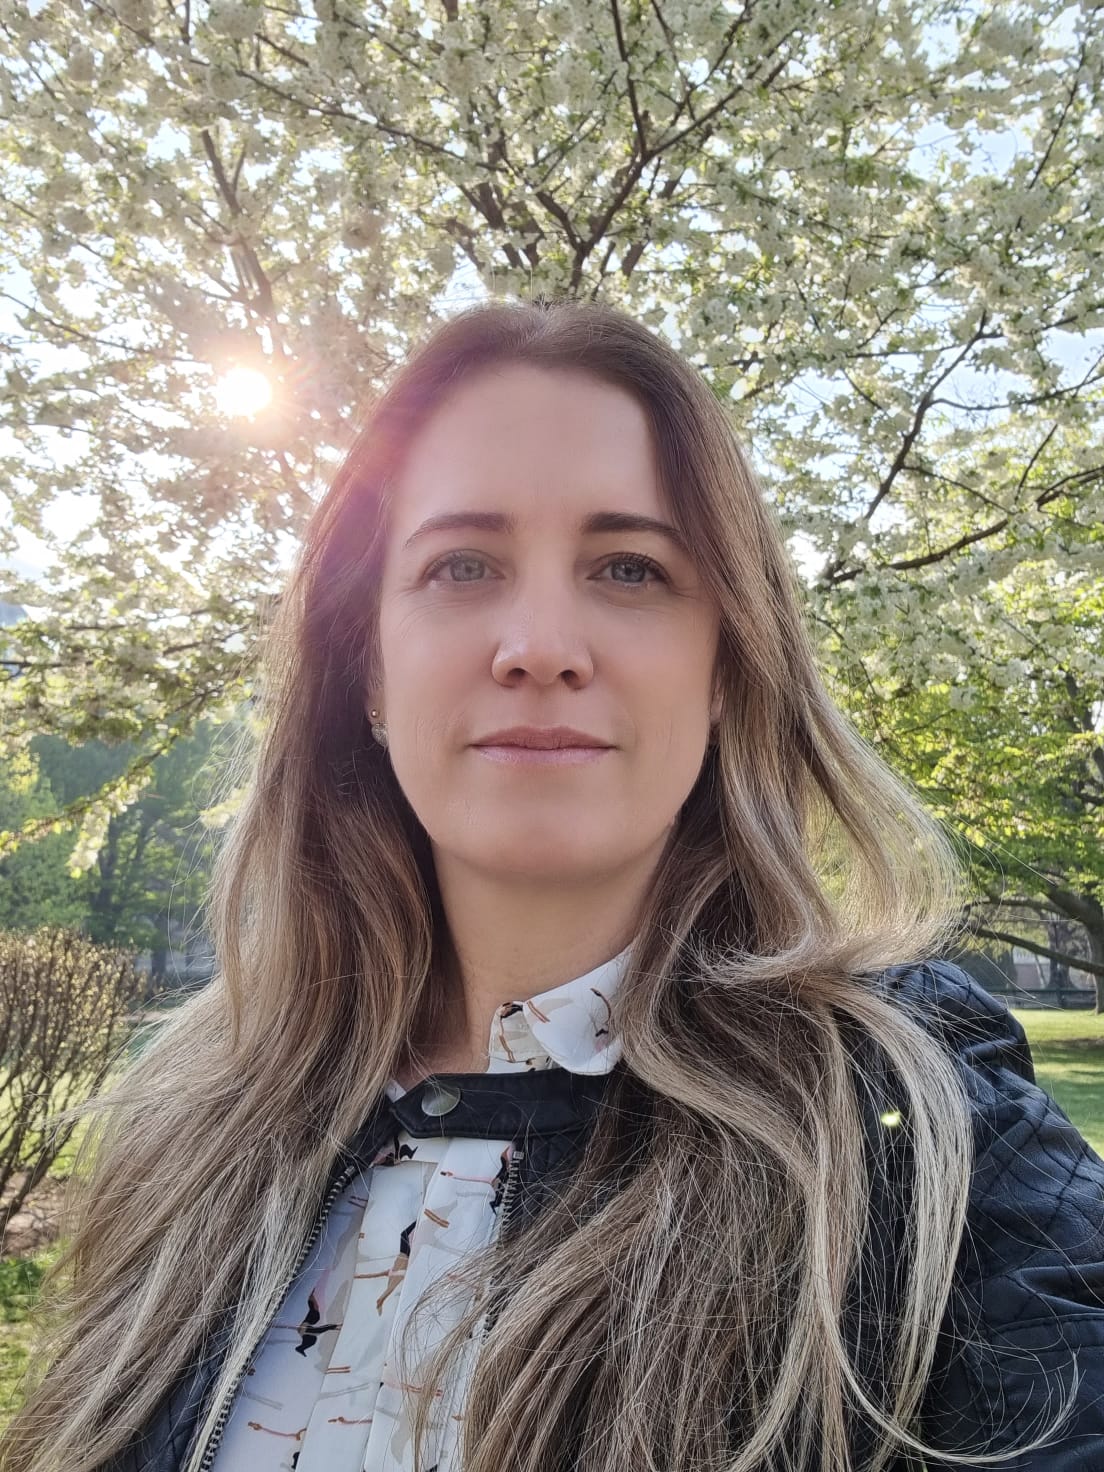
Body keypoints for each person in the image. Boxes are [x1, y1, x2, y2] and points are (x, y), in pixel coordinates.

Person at [5, 299, 1103, 1472]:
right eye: (461, 565)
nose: (538, 644)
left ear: (726, 665)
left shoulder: (916, 1121)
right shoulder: (192, 1124)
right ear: (366, 665)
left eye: (629, 568)